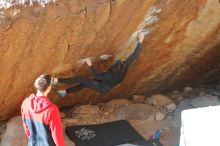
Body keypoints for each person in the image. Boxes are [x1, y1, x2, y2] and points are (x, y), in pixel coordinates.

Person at [52, 31, 146, 97]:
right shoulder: (124, 66)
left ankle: (56, 80)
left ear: (112, 69)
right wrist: (141, 40)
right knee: (84, 83)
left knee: (82, 79)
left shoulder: (109, 75)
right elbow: (134, 54)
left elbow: (96, 75)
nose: (118, 61)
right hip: (107, 83)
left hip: (102, 87)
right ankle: (65, 92)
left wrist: (89, 64)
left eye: (114, 64)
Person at [21, 74, 65, 146]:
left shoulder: (25, 103)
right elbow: (57, 136)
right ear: (49, 87)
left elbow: (26, 129)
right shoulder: (52, 110)